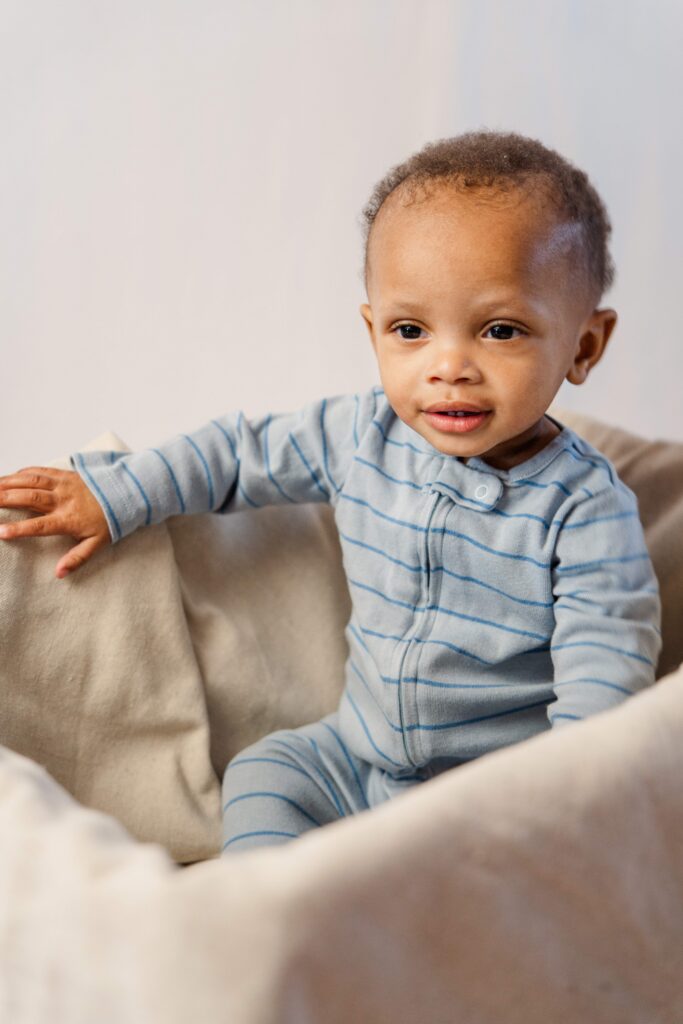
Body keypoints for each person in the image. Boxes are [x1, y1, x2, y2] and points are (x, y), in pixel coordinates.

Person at [0, 131, 662, 854]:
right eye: (410, 329)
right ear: (373, 328)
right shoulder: (357, 435)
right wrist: (117, 493)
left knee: (474, 878)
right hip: (357, 756)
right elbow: (234, 455)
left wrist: (559, 810)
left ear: (583, 346)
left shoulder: (583, 510)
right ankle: (264, 905)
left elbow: (603, 688)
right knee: (265, 771)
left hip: (488, 793)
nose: (448, 366)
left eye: (499, 330)